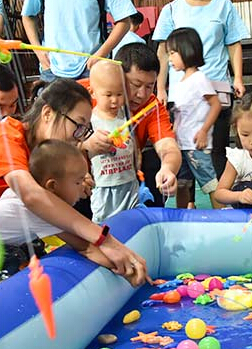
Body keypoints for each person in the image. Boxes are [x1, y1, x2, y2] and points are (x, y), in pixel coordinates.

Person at [0, 79, 149, 285]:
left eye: (84, 130)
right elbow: (31, 196)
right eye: (78, 126)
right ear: (47, 113)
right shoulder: (7, 134)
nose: (78, 138)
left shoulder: (52, 158)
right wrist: (104, 239)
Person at [153, 0, 249, 180]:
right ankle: (188, 199)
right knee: (185, 151)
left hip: (217, 86)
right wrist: (161, 87)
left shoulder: (224, 5)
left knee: (217, 149)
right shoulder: (171, 10)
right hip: (182, 91)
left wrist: (237, 78)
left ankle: (222, 194)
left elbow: (233, 44)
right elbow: (163, 52)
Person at [0, 140, 123, 279]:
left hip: (13, 239)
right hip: (4, 246)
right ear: (52, 186)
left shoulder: (30, 195)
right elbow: (86, 248)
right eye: (78, 182)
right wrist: (121, 268)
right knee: (16, 260)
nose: (83, 187)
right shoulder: (39, 210)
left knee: (35, 247)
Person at [82, 43, 181, 206]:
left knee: (154, 163)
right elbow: (54, 141)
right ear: (118, 76)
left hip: (125, 178)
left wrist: (168, 169)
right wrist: (84, 145)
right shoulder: (85, 93)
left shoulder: (152, 106)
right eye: (135, 85)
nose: (141, 94)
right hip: (85, 180)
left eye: (149, 86)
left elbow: (168, 147)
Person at [166, 28, 222, 209]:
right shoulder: (180, 82)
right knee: (182, 184)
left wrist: (204, 130)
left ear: (186, 50)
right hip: (181, 144)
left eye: (173, 53)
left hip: (195, 144)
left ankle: (221, 215)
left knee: (210, 182)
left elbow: (216, 104)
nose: (169, 58)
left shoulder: (199, 79)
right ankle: (182, 216)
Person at [88, 61, 139, 222]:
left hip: (129, 182)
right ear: (93, 92)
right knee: (102, 223)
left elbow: (133, 140)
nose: (115, 100)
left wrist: (137, 158)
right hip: (103, 185)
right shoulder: (90, 120)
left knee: (131, 219)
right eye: (108, 95)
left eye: (119, 94)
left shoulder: (125, 114)